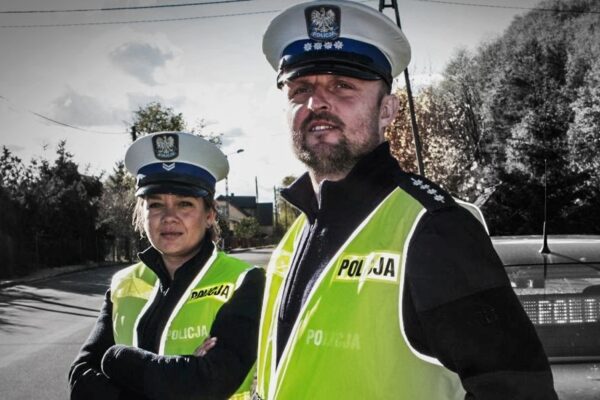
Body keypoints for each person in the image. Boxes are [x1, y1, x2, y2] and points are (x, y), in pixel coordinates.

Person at [255, 1, 558, 399]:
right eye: (301, 88)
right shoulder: (297, 232)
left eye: (343, 86)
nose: (317, 103)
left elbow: (519, 389)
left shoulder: (434, 227)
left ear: (388, 110)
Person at [68, 132, 265, 400]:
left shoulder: (246, 281)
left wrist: (116, 359)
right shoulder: (123, 284)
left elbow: (210, 383)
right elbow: (81, 380)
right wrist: (180, 374)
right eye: (156, 204)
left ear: (209, 215)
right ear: (142, 214)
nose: (169, 217)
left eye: (184, 204)